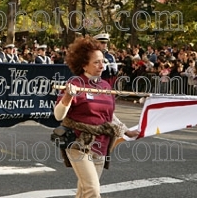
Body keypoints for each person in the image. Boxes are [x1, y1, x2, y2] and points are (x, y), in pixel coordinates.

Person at [53, 36, 139, 198]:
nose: (102, 66)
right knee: (92, 190)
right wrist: (68, 97)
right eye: (97, 62)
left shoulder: (105, 86)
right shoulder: (75, 83)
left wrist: (127, 131)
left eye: (103, 61)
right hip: (79, 143)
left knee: (84, 191)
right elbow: (58, 115)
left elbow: (108, 115)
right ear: (84, 65)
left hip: (101, 144)